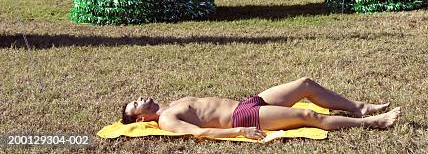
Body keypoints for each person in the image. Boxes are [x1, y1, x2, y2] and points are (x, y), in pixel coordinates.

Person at [121, 76, 400, 140]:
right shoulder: (167, 118)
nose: (140, 97)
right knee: (308, 116)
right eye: (135, 104)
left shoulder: (172, 103)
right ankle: (374, 123)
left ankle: (359, 108)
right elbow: (200, 133)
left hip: (248, 103)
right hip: (243, 116)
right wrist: (241, 130)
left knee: (305, 83)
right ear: (142, 117)